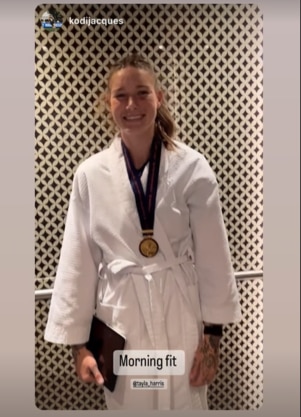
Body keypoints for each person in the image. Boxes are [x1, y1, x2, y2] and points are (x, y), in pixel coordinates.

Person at [44, 53, 242, 410]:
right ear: (108, 103)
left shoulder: (192, 167)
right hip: (122, 318)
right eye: (120, 95)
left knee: (185, 401)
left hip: (178, 311)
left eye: (142, 93)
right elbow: (78, 261)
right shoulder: (90, 175)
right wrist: (79, 346)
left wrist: (212, 340)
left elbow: (214, 257)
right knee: (129, 405)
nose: (131, 104)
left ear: (159, 98)